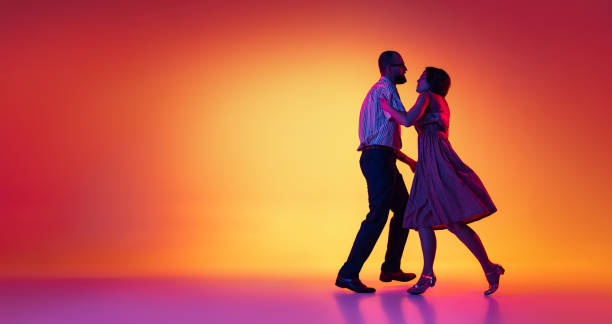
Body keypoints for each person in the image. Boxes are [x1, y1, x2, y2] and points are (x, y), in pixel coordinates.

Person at [379, 67, 504, 296]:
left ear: (431, 82)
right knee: (424, 219)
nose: (417, 79)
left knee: (450, 221)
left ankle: (488, 268)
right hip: (430, 161)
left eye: (422, 77)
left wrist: (387, 107)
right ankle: (430, 274)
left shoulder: (427, 96)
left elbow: (407, 120)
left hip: (437, 161)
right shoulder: (440, 101)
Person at [335, 51, 439, 293]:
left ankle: (391, 268)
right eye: (401, 66)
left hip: (383, 158)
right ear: (388, 68)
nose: (405, 70)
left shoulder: (381, 91)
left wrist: (406, 159)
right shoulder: (386, 90)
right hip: (379, 160)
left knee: (404, 210)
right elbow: (404, 121)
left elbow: (382, 136)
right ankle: (348, 274)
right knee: (378, 215)